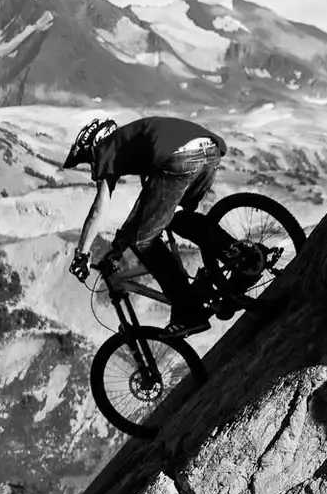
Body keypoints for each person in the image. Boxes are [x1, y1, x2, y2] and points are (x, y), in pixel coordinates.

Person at [64, 115, 228, 333]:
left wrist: (82, 254)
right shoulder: (133, 142)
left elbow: (98, 209)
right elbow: (147, 203)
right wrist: (121, 242)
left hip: (180, 158)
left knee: (143, 241)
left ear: (94, 144)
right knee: (174, 215)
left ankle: (189, 311)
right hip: (209, 150)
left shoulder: (107, 148)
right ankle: (235, 252)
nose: (92, 164)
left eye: (87, 157)